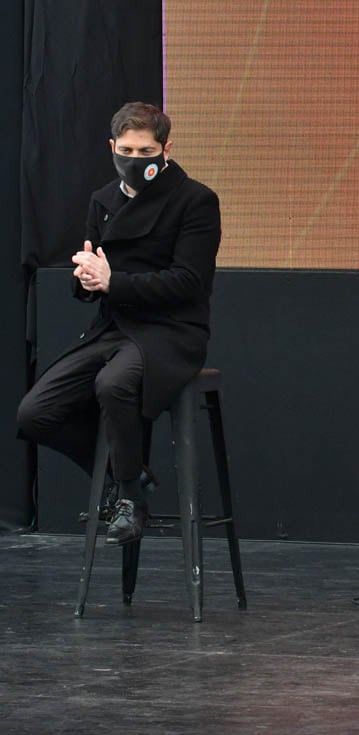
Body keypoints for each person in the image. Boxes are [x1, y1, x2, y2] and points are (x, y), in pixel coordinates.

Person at [17, 101, 221, 546]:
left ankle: (130, 499)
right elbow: (94, 283)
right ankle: (128, 472)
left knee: (113, 385)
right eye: (126, 149)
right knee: (35, 414)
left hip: (171, 331)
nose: (134, 160)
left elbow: (189, 283)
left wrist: (115, 281)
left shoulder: (196, 200)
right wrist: (88, 279)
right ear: (112, 147)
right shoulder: (103, 200)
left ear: (166, 149)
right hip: (113, 328)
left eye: (146, 151)